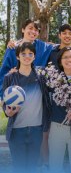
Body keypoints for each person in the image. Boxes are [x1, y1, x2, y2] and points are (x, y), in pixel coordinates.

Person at [3, 42, 51, 173]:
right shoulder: (9, 77)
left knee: (32, 168)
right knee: (18, 168)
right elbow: (5, 102)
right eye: (23, 53)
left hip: (36, 130)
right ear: (17, 57)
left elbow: (60, 78)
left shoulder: (42, 76)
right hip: (17, 130)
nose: (27, 56)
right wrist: (7, 112)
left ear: (34, 56)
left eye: (30, 53)